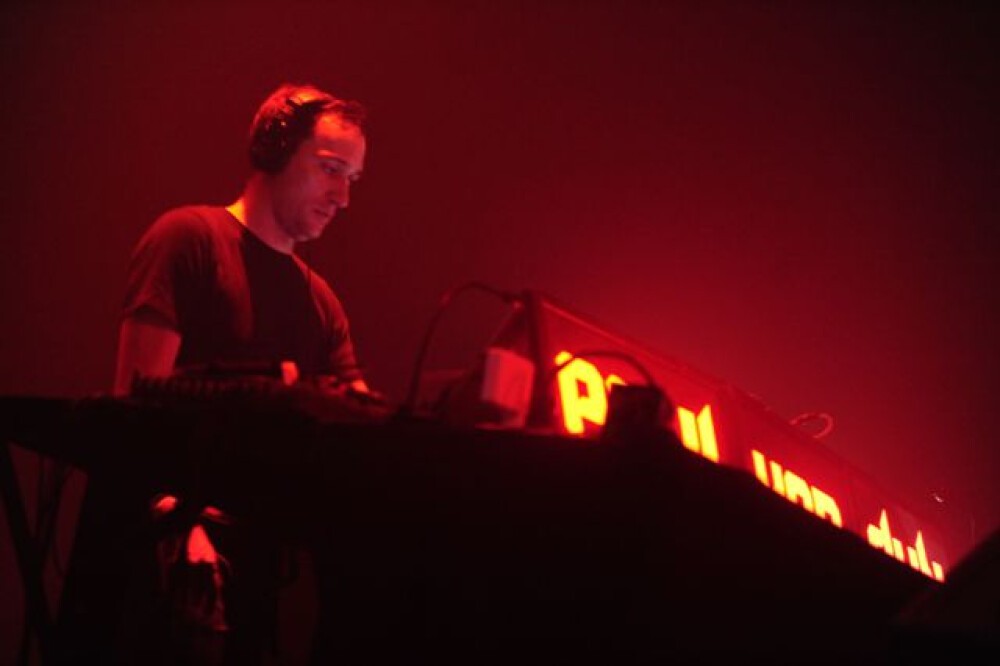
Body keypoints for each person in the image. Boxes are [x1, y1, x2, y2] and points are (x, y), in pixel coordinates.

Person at [56, 82, 372, 665]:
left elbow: (359, 430)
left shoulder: (323, 305)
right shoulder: (189, 239)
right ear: (275, 149)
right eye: (331, 169)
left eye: (352, 178)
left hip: (257, 572)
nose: (343, 197)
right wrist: (178, 523)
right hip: (162, 557)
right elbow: (132, 416)